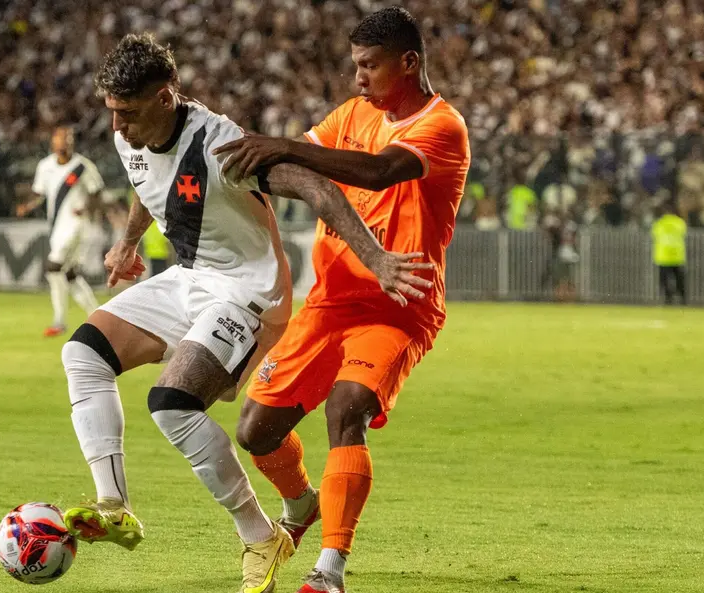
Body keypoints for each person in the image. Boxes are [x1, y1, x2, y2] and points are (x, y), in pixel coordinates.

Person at [58, 33, 434, 593]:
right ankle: (114, 505)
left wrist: (376, 257)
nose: (118, 126)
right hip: (189, 278)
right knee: (82, 354)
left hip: (247, 293)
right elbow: (145, 179)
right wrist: (129, 242)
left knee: (172, 405)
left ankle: (260, 536)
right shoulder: (131, 134)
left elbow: (315, 188)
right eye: (112, 112)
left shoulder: (221, 147)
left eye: (128, 113)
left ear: (165, 97)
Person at [214, 8, 471, 593]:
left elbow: (378, 172)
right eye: (355, 65)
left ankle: (329, 569)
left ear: (408, 63)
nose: (358, 78)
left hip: (398, 304)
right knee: (255, 431)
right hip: (328, 302)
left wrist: (282, 146)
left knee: (345, 408)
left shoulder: (443, 126)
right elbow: (294, 165)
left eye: (369, 66)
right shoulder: (352, 114)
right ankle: (301, 502)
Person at [19, 126, 104, 336]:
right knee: (70, 275)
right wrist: (27, 206)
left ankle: (59, 321)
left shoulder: (83, 167)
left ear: (73, 142)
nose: (64, 143)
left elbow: (96, 193)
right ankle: (99, 317)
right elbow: (39, 193)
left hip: (77, 226)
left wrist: (86, 208)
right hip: (57, 227)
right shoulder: (45, 166)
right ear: (52, 143)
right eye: (59, 139)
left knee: (53, 266)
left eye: (68, 139)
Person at [651, 203, 687, 305]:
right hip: (677, 255)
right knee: (679, 279)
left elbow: (654, 234)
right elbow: (683, 232)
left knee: (664, 280)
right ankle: (682, 299)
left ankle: (668, 298)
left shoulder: (659, 223)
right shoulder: (679, 222)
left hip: (663, 256)